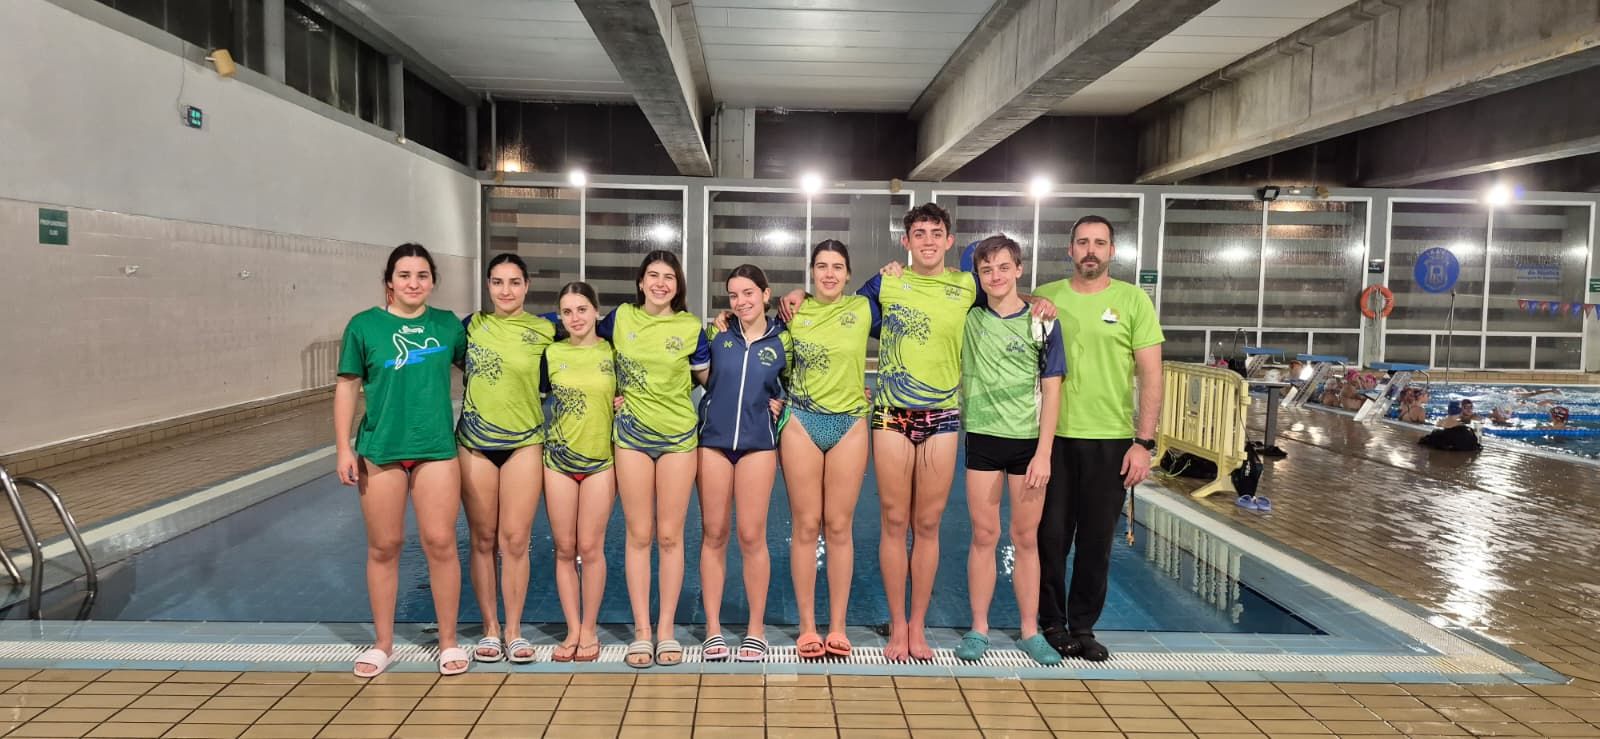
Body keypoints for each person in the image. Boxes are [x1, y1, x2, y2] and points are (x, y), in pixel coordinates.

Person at [334, 243, 471, 677]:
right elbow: (347, 387)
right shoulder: (364, 326)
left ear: (433, 281)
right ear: (389, 281)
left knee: (441, 542)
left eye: (422, 275)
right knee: (384, 546)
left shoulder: (448, 326)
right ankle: (383, 643)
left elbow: (483, 370)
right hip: (381, 450)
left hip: (435, 449)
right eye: (405, 275)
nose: (414, 283)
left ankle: (448, 642)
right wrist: (342, 447)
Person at [1033, 215, 1164, 663]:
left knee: (1096, 542)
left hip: (1111, 439)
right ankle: (1051, 622)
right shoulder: (1045, 296)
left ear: (1111, 251)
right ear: (1070, 249)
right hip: (1052, 438)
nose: (1091, 250)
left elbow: (1151, 375)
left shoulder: (1133, 301)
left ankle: (1083, 625)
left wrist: (1144, 443)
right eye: (1083, 242)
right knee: (1050, 537)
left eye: (1100, 243)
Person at [955, 235, 1065, 666]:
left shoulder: (1043, 322)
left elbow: (1052, 391)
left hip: (1027, 444)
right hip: (983, 438)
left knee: (1025, 538)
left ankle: (1030, 630)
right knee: (984, 535)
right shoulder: (968, 316)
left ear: (1019, 269)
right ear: (977, 276)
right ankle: (979, 628)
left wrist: (1044, 453)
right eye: (986, 270)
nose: (995, 276)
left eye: (1003, 267)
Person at [603, 251, 710, 668]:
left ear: (678, 285)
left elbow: (714, 379)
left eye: (668, 277)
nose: (660, 283)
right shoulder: (620, 319)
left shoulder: (690, 327)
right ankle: (641, 631)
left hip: (678, 438)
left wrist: (771, 396)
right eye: (653, 275)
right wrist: (609, 391)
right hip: (631, 438)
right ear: (640, 282)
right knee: (638, 534)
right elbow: (582, 342)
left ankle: (665, 629)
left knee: (669, 536)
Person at [780, 241, 877, 659]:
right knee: (806, 525)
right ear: (811, 271)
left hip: (849, 423)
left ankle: (837, 625)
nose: (830, 274)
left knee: (838, 526)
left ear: (849, 273)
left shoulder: (864, 307)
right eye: (822, 266)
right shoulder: (793, 312)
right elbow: (761, 346)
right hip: (801, 422)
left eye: (838, 267)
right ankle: (807, 626)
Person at [456, 254, 554, 664]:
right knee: (482, 539)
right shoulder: (470, 327)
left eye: (514, 282)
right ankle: (490, 629)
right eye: (497, 282)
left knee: (515, 540)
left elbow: (587, 350)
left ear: (527, 285)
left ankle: (513, 630)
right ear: (488, 286)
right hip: (475, 444)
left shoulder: (546, 329)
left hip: (525, 443)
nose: (506, 290)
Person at [696, 265, 788, 662]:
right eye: (733, 295)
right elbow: (684, 377)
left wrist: (783, 402)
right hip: (713, 443)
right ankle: (713, 629)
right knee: (714, 534)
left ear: (765, 294)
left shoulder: (784, 339)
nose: (740, 301)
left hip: (758, 444)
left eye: (748, 293)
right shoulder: (716, 335)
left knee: (751, 536)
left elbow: (800, 385)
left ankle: (755, 629)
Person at [542, 282, 617, 664]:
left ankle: (589, 628)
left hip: (601, 461)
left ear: (596, 311)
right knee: (565, 548)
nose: (575, 318)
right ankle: (572, 629)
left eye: (582, 309)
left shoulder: (613, 352)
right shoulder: (551, 353)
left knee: (590, 548)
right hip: (557, 462)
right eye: (568, 311)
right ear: (560, 316)